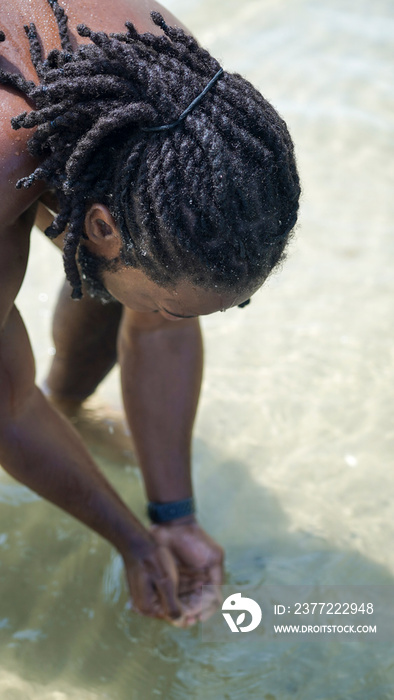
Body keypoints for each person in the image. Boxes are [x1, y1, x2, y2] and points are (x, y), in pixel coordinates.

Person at [0, 0, 300, 627]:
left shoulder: (175, 107)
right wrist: (132, 541)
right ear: (103, 225)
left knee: (140, 275)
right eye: (176, 304)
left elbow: (163, 324)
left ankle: (71, 407)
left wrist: (174, 516)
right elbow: (5, 403)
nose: (177, 316)